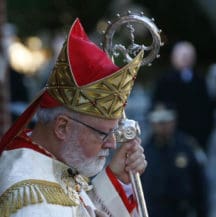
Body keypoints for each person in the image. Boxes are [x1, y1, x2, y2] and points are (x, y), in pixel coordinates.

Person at [0, 18, 147, 217]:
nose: (112, 144)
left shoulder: (53, 160)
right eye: (104, 134)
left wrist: (119, 179)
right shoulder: (28, 199)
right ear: (62, 127)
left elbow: (74, 208)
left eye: (114, 131)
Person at [142, 104, 208, 217]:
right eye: (159, 122)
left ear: (174, 121)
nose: (163, 126)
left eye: (166, 121)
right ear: (152, 123)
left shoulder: (187, 146)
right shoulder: (143, 151)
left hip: (181, 210)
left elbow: (200, 184)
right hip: (153, 211)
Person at [151, 41, 214, 152]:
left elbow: (207, 108)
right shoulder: (164, 81)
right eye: (183, 56)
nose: (186, 59)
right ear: (173, 57)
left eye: (189, 56)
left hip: (198, 134)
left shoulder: (200, 80)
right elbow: (157, 107)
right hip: (172, 135)